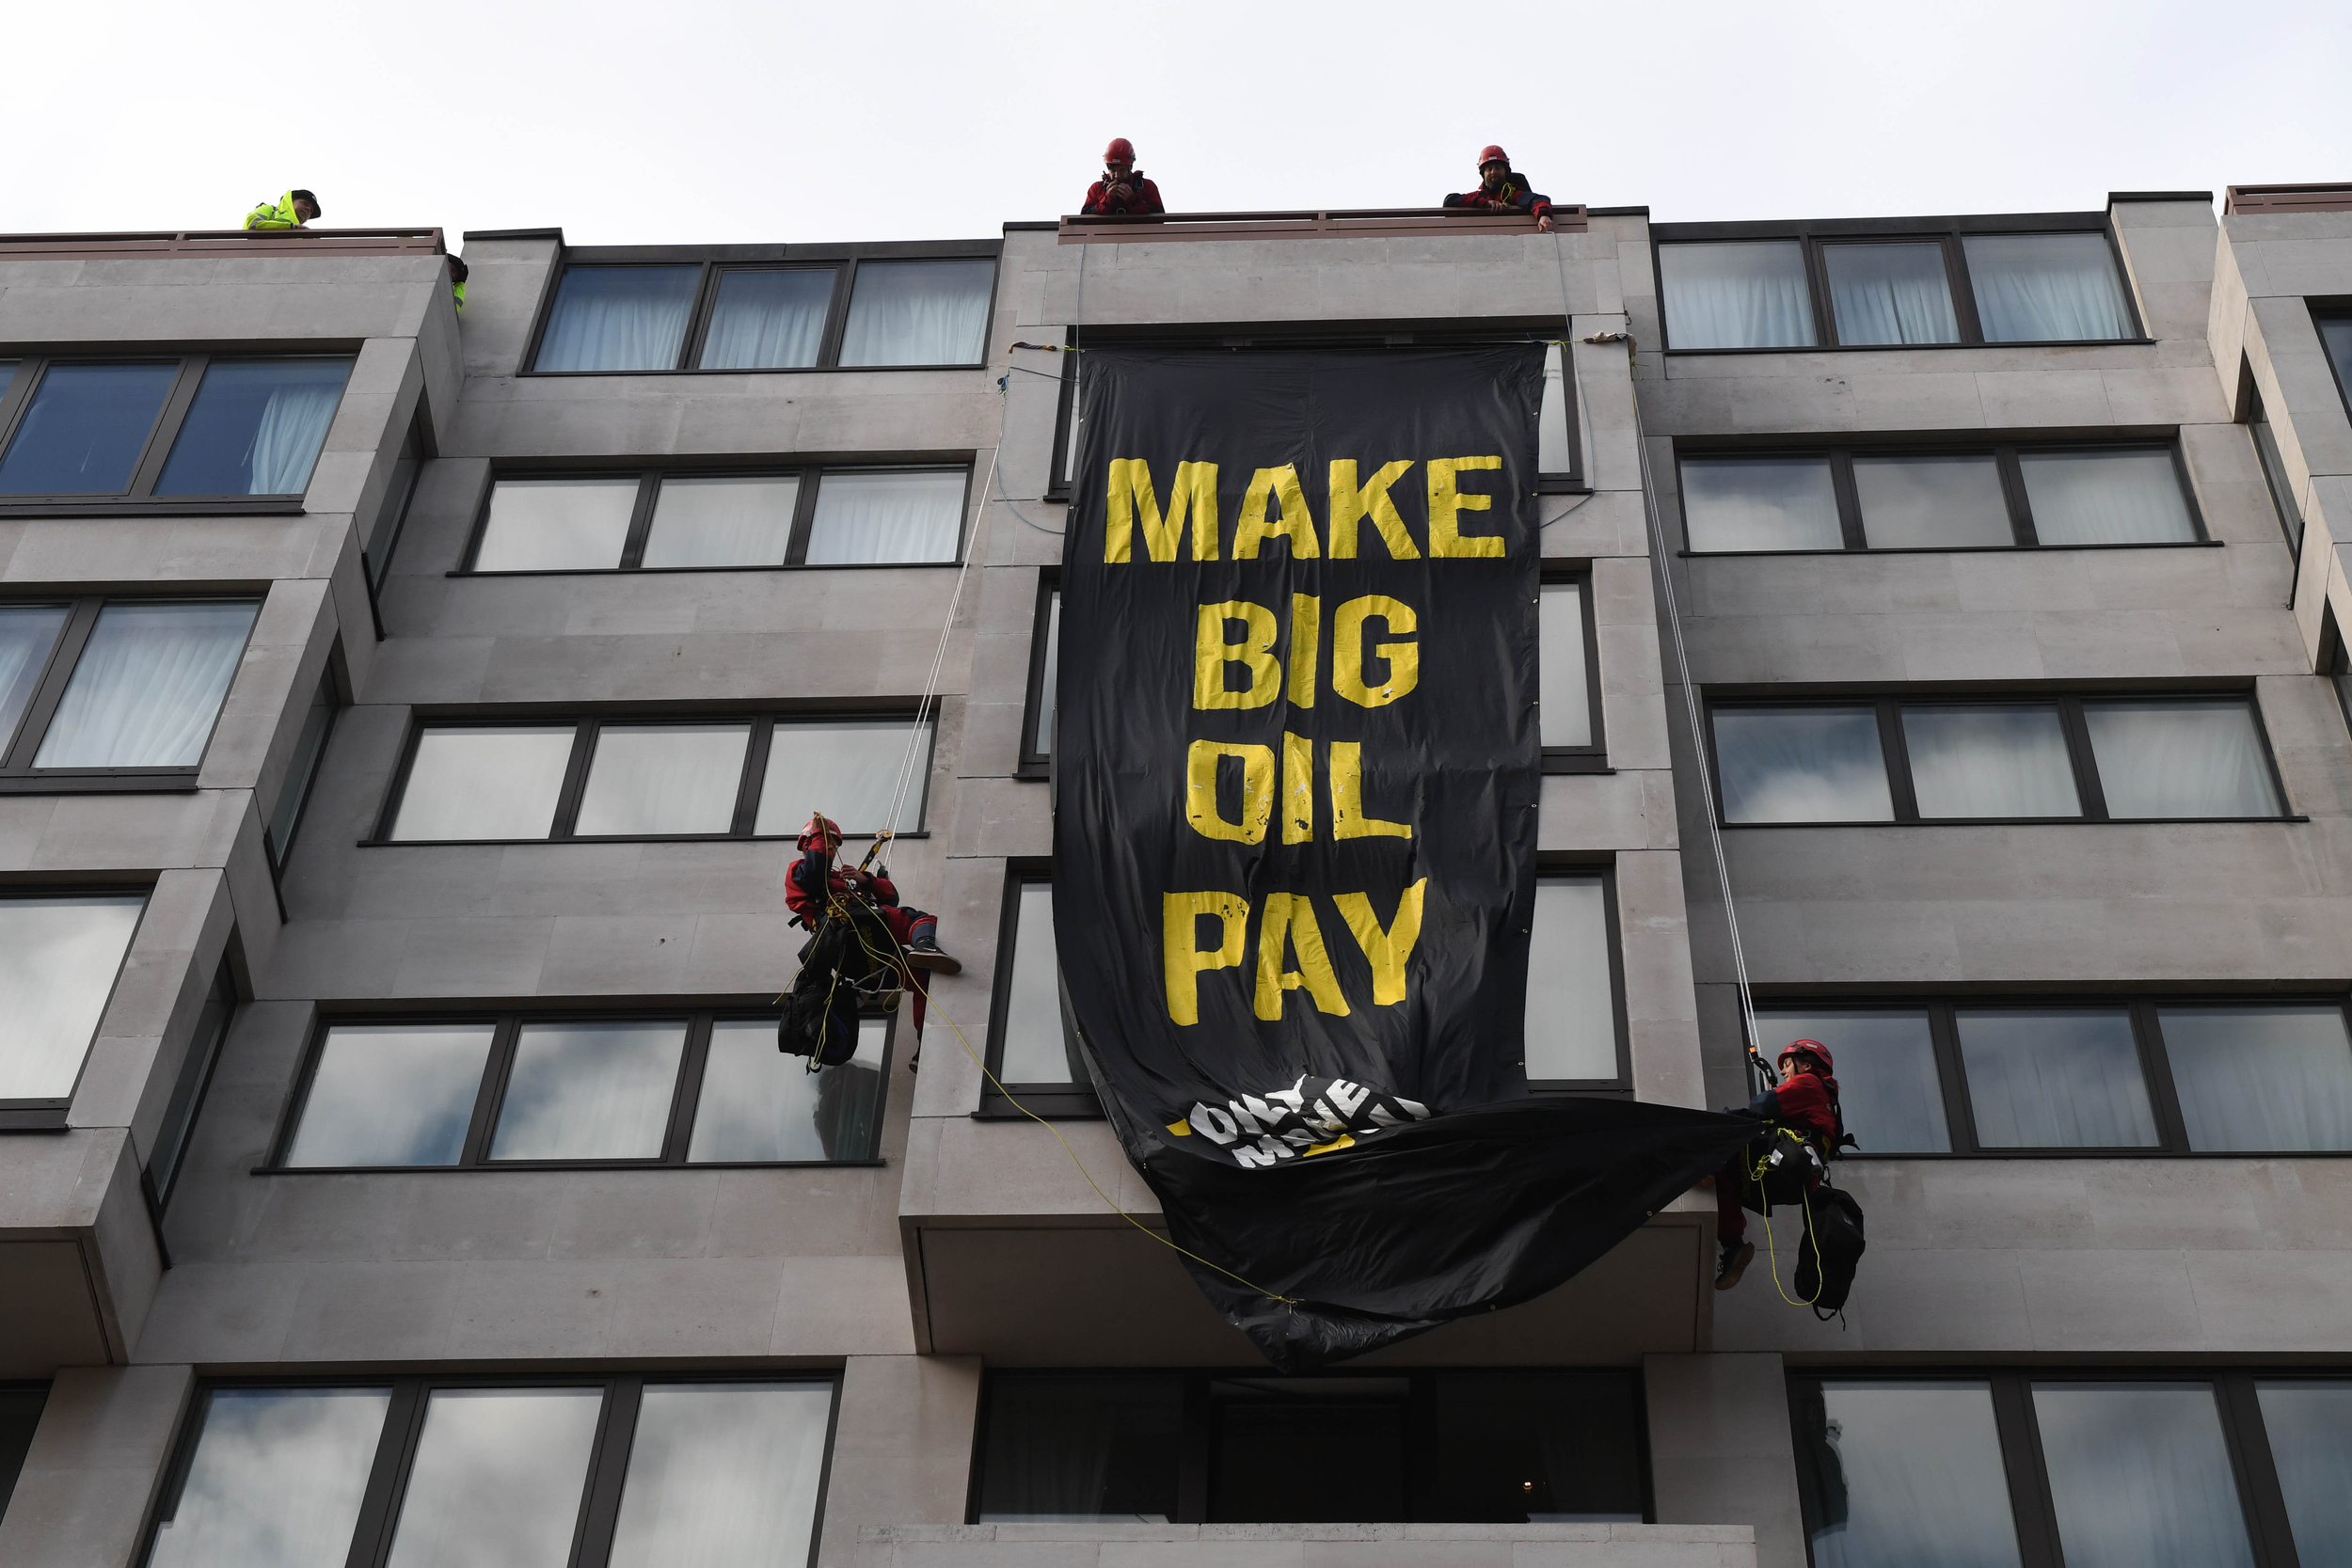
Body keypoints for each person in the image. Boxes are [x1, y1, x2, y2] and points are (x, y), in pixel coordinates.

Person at [786, 813, 960, 1034]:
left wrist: (866, 880)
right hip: (852, 930)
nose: (832, 850)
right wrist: (821, 833)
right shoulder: (799, 872)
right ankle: (925, 945)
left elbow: (890, 897)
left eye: (834, 846)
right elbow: (813, 874)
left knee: (923, 978)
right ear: (810, 844)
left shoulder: (839, 878)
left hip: (860, 952)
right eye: (828, 844)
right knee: (916, 919)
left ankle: (923, 1045)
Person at [1714, 1039, 1844, 1291]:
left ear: (1806, 1064)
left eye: (1787, 1064)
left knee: (1719, 1150)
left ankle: (1731, 1240)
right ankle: (1732, 1246)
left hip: (1784, 1164)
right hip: (1795, 1180)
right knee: (1725, 1180)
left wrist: (1728, 1117)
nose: (1784, 1072)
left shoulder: (1809, 1082)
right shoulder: (1826, 1100)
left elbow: (1761, 1105)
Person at [1441, 147, 1555, 232]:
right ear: (1483, 174)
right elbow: (1450, 200)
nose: (1493, 172)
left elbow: (1537, 200)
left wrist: (1543, 215)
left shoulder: (1512, 193)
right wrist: (1486, 203)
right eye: (1489, 169)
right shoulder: (1480, 197)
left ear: (1505, 172)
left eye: (1498, 168)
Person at [1081, 139, 1165, 216]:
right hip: (1105, 232)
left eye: (1122, 170)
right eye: (1113, 171)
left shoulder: (1147, 186)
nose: (1117, 175)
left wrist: (1132, 200)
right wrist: (1108, 199)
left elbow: (1159, 215)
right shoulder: (1097, 188)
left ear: (1130, 167)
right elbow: (1084, 217)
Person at [244, 190, 321, 231]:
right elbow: (253, 223)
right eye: (305, 203)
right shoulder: (269, 209)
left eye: (311, 210)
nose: (308, 209)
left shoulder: (305, 234)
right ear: (291, 201)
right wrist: (290, 227)